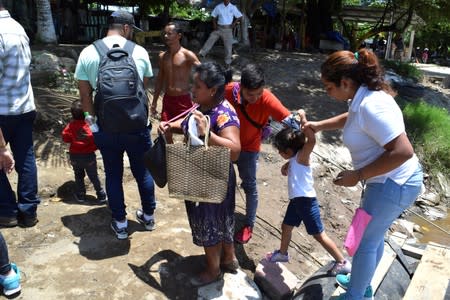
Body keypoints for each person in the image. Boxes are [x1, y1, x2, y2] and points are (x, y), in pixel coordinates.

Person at [305, 49, 423, 300]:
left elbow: (403, 150)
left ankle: (357, 295)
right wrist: (319, 125)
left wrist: (358, 175)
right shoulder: (362, 98)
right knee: (373, 236)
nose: (328, 93)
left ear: (345, 83)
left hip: (393, 184)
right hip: (388, 181)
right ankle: (362, 280)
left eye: (328, 87)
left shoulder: (371, 105)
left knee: (364, 241)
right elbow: (353, 118)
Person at [75, 10, 156, 240]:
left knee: (113, 174)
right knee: (143, 172)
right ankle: (148, 218)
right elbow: (143, 88)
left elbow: (84, 96)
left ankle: (120, 224)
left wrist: (94, 124)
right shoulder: (138, 52)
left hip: (106, 128)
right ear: (127, 28)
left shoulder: (88, 53)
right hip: (137, 126)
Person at [159, 62, 241, 287]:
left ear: (213, 90)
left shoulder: (223, 114)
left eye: (197, 86)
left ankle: (213, 270)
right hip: (206, 174)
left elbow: (235, 151)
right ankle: (229, 258)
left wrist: (210, 135)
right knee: (221, 221)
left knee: (210, 223)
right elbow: (187, 125)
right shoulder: (202, 108)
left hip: (211, 178)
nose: (192, 89)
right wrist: (170, 126)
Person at [267, 121, 351, 275]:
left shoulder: (302, 156)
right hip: (296, 202)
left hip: (306, 202)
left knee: (318, 234)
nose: (279, 153)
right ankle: (282, 254)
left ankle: (342, 262)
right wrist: (286, 166)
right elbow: (291, 168)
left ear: (290, 150)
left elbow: (311, 141)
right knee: (286, 227)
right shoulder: (294, 159)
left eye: (281, 150)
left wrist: (305, 122)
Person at [224, 64, 291, 244]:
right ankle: (222, 216)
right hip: (227, 146)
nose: (255, 99)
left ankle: (249, 224)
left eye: (258, 94)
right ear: (241, 87)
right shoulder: (228, 91)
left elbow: (290, 121)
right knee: (223, 182)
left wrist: (296, 157)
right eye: (249, 94)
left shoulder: (267, 98)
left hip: (250, 148)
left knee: (250, 186)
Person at [0, 1, 40, 228]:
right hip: (24, 108)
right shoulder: (18, 28)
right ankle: (28, 211)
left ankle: (7, 211)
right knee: (26, 158)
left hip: (3, 110)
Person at [151, 22, 201, 126]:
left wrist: (200, 95)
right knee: (164, 128)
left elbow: (204, 72)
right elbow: (159, 80)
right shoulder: (162, 56)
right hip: (168, 99)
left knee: (188, 129)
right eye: (165, 33)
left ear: (179, 36)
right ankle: (169, 143)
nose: (166, 36)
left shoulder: (187, 54)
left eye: (169, 33)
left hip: (184, 99)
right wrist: (154, 101)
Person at [62, 100, 107, 203]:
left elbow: (65, 138)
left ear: (72, 114)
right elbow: (96, 138)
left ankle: (81, 195)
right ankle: (101, 195)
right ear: (86, 113)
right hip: (89, 157)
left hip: (75, 156)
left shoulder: (70, 126)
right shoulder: (90, 126)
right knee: (93, 176)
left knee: (78, 175)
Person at [198, 0, 242, 67]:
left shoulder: (233, 7)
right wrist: (214, 25)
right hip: (219, 28)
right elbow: (213, 16)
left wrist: (234, 24)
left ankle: (228, 62)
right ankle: (202, 54)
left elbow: (239, 16)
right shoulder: (218, 7)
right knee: (211, 39)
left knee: (228, 46)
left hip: (228, 29)